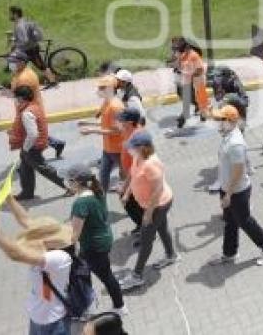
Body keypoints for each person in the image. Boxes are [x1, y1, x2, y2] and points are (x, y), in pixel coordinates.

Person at [0, 195, 74, 335]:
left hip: (54, 321)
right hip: (38, 316)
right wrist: (9, 199)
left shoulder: (60, 258)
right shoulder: (51, 249)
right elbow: (25, 220)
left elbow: (16, 255)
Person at [207, 106, 263, 267]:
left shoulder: (235, 143)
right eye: (218, 120)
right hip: (227, 188)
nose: (218, 123)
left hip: (237, 191)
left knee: (245, 222)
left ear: (230, 122)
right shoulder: (228, 135)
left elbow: (238, 171)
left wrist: (228, 195)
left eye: (221, 120)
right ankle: (229, 253)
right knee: (230, 222)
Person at [118, 131, 179, 291]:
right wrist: (127, 193)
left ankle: (137, 275)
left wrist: (148, 213)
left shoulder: (151, 164)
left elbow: (157, 190)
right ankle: (171, 255)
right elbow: (133, 175)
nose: (129, 150)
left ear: (142, 148)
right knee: (162, 229)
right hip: (150, 205)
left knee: (146, 240)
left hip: (159, 205)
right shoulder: (138, 157)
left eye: (132, 147)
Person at [65, 163, 125, 314]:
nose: (67, 184)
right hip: (103, 239)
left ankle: (120, 307)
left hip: (93, 246)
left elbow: (74, 236)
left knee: (105, 276)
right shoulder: (96, 192)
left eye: (69, 180)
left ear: (77, 182)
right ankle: (89, 303)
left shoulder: (80, 203)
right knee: (84, 272)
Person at [10, 85, 68, 200]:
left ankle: (69, 186)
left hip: (32, 147)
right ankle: (27, 192)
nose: (15, 100)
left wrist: (26, 148)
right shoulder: (35, 106)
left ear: (21, 98)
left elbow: (33, 134)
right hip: (33, 145)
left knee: (45, 169)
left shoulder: (27, 113)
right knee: (25, 168)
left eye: (16, 98)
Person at [7, 50, 65, 158]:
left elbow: (22, 97)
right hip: (32, 107)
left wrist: (19, 117)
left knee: (31, 134)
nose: (11, 64)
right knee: (33, 131)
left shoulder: (24, 78)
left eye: (14, 61)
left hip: (28, 109)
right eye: (10, 61)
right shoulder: (24, 72)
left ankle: (33, 159)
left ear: (23, 62)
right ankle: (56, 144)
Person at [79, 76, 127, 194]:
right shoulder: (106, 102)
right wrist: (88, 122)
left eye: (102, 87)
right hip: (108, 149)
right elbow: (106, 123)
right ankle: (101, 203)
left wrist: (92, 130)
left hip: (118, 149)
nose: (98, 90)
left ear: (110, 88)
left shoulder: (116, 107)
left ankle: (134, 204)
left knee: (125, 178)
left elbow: (118, 130)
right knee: (103, 177)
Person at [8, 5, 57, 87]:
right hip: (28, 49)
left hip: (30, 49)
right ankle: (16, 84)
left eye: (10, 14)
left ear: (15, 14)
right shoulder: (22, 21)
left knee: (41, 66)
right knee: (18, 66)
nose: (9, 16)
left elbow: (24, 40)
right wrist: (15, 39)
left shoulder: (20, 25)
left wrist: (15, 44)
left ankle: (52, 81)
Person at [174, 38, 210, 128]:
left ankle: (203, 114)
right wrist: (178, 62)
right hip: (188, 79)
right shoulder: (183, 56)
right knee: (186, 97)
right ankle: (183, 117)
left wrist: (191, 74)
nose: (180, 51)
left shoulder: (194, 56)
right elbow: (179, 66)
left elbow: (200, 70)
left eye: (181, 50)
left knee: (201, 98)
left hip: (198, 79)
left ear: (187, 48)